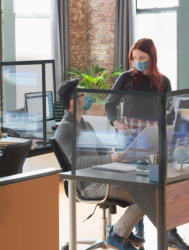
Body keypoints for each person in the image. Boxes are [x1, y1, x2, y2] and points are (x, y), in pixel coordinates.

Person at [104, 38, 189, 250]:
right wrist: (117, 123)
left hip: (154, 138)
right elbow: (109, 105)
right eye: (134, 58)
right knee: (138, 185)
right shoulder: (125, 78)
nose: (137, 62)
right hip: (129, 138)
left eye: (142, 58)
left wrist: (169, 130)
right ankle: (135, 229)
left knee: (163, 183)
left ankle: (171, 232)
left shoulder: (164, 81)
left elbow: (169, 112)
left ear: (152, 57)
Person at [55, 78, 144, 250]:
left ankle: (122, 229)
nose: (88, 97)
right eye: (84, 94)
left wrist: (120, 155)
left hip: (101, 178)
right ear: (74, 101)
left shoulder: (85, 124)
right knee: (146, 197)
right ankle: (118, 234)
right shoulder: (65, 128)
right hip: (87, 185)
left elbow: (102, 151)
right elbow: (77, 162)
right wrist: (110, 159)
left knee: (145, 188)